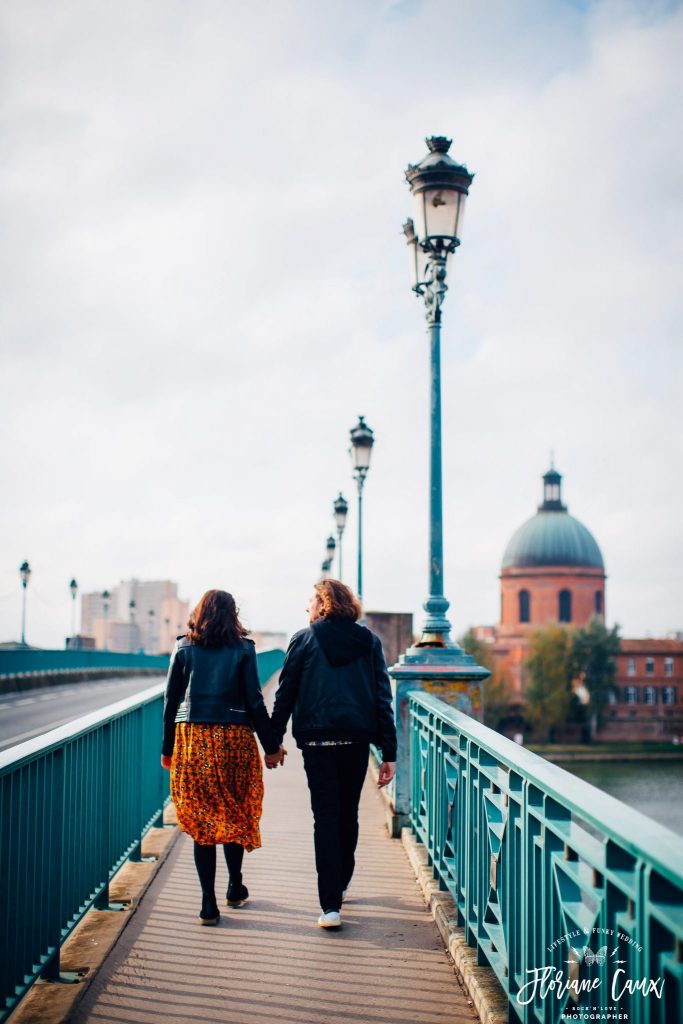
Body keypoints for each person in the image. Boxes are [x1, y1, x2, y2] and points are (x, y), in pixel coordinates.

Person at [269, 579, 397, 929]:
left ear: (323, 603)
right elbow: (382, 697)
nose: (307, 607)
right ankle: (340, 881)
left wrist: (272, 741)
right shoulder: (369, 641)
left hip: (317, 741)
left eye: (311, 600)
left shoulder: (304, 639)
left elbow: (285, 695)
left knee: (325, 817)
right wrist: (389, 752)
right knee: (348, 814)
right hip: (356, 740)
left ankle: (330, 905)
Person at [161, 589, 286, 925]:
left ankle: (207, 903)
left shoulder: (183, 646)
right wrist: (271, 746)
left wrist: (167, 748)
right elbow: (255, 702)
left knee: (202, 819)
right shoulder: (244, 649)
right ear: (233, 614)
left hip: (193, 740)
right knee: (233, 809)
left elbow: (171, 702)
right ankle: (234, 886)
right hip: (234, 738)